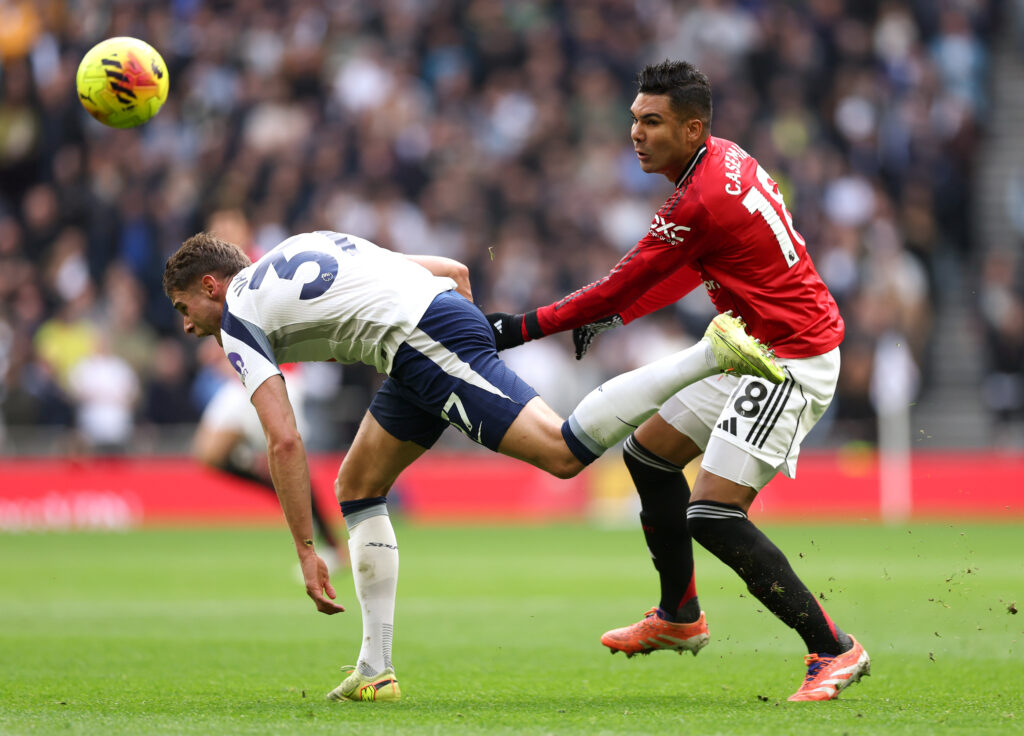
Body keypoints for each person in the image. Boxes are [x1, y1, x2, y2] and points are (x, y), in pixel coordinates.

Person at [162, 228, 782, 702]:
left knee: (564, 453)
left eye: (184, 305)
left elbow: (284, 442)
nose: (186, 323)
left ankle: (707, 354)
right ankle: (375, 672)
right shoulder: (300, 246)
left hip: (421, 342)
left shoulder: (239, 319)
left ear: (213, 286)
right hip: (419, 339)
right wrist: (447, 336)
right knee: (357, 484)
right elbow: (453, 270)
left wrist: (304, 548)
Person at [485, 60, 870, 702]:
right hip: (745, 344)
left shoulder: (700, 199)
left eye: (652, 122)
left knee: (713, 513)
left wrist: (516, 328)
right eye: (634, 119)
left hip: (788, 358)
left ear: (692, 128)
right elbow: (682, 271)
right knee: (649, 456)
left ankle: (833, 649)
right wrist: (615, 312)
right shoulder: (724, 158)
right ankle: (680, 616)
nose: (635, 132)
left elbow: (621, 280)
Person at [192, 342, 348, 568]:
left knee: (294, 471)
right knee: (208, 453)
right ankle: (269, 480)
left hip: (276, 378)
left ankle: (331, 548)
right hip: (243, 382)